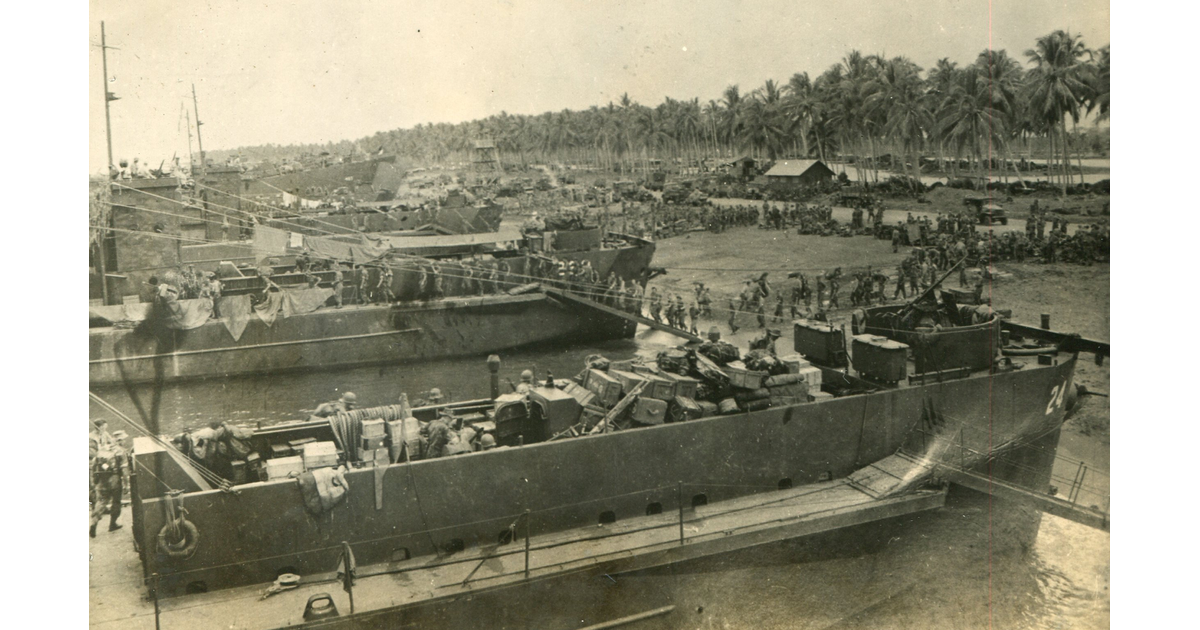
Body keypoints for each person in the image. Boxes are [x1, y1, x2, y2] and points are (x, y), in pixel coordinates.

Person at [90, 420, 127, 538]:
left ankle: (94, 523)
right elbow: (124, 469)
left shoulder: (102, 451)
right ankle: (112, 524)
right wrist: (126, 484)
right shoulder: (120, 451)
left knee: (101, 502)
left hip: (101, 480)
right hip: (114, 479)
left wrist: (94, 480)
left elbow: (94, 464)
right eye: (123, 439)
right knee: (116, 502)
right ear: (119, 440)